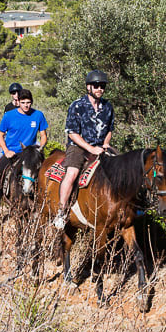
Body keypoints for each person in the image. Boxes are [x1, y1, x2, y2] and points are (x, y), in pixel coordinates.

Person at [53, 70, 114, 230]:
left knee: (123, 168)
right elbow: (72, 133)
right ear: (88, 87)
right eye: (96, 85)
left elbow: (110, 129)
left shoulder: (108, 107)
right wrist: (90, 149)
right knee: (72, 174)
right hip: (78, 147)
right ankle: (61, 210)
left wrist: (106, 144)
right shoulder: (77, 105)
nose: (99, 88)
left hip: (100, 147)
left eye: (102, 86)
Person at [0, 88, 48, 225]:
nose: (26, 105)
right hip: (12, 151)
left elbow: (43, 135)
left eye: (29, 102)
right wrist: (6, 151)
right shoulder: (9, 116)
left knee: (46, 175)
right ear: (18, 102)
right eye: (23, 102)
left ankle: (45, 209)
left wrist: (40, 148)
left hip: (31, 152)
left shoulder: (38, 115)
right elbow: (0, 135)